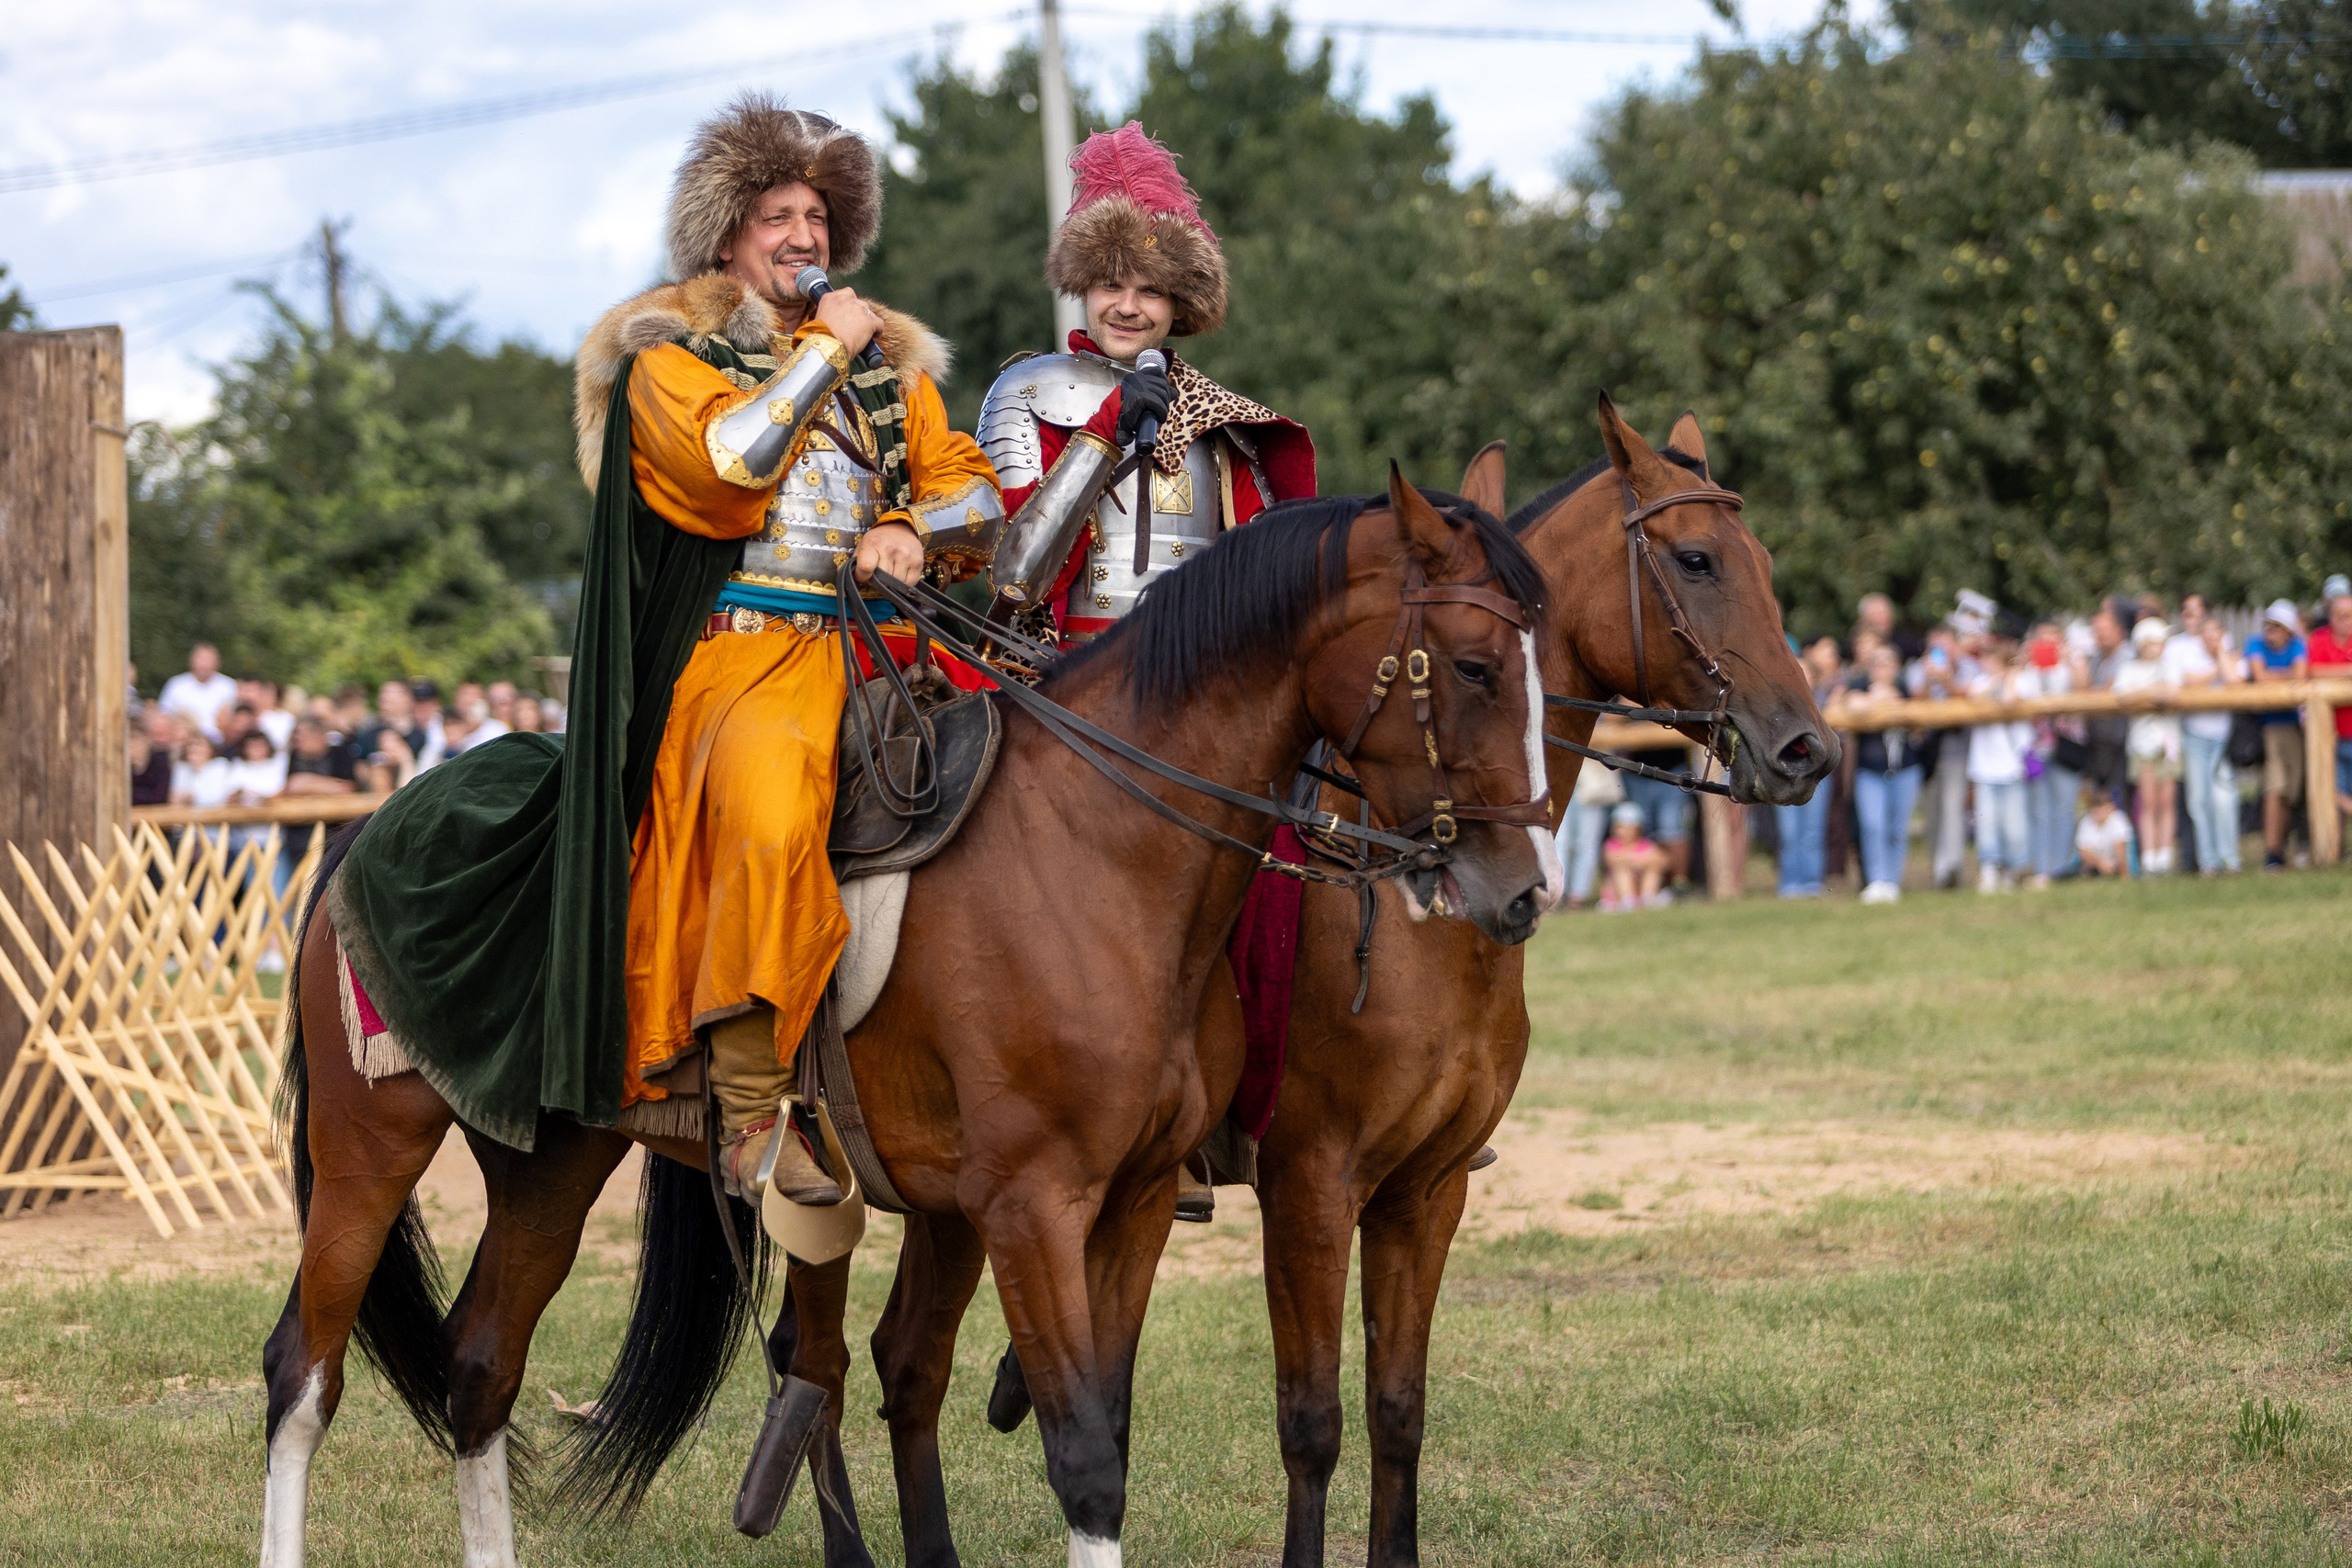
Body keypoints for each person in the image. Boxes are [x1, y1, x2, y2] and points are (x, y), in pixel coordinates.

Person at [335, 95, 1002, 1204]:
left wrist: (910, 525)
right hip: (744, 653)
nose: (805, 236)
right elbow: (728, 472)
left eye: (819, 216)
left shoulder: (893, 370)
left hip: (890, 647)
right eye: (779, 213)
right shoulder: (670, 357)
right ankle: (747, 1107)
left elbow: (971, 488)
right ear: (727, 234)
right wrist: (824, 356)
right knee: (768, 794)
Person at [978, 120, 1318, 1217]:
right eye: (1110, 282)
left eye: (1151, 289)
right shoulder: (1026, 390)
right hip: (1062, 681)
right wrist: (1106, 433)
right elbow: (1014, 566)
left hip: (1202, 703)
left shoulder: (1221, 423)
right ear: (1080, 284)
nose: (1129, 305)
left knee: (1294, 853)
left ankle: (1244, 1106)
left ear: (1183, 302)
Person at [2165, 594, 2243, 874]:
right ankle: (2208, 861)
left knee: (2224, 798)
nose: (2192, 619)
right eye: (2186, 613)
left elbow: (2234, 680)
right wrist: (2216, 669)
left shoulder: (2224, 647)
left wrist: (2221, 652)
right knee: (2198, 800)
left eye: (2196, 613)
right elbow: (2183, 681)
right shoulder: (2178, 647)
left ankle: (2230, 859)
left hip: (2223, 734)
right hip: (2194, 733)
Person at [1841, 644, 1921, 903]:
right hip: (1870, 770)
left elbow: (1920, 719)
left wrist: (1893, 700)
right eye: (1878, 662)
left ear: (1896, 666)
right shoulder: (1860, 686)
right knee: (1873, 826)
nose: (1883, 667)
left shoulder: (1907, 690)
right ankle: (1876, 880)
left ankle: (1892, 880)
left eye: (1888, 662)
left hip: (1905, 770)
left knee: (1897, 828)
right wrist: (1878, 698)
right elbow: (1853, 705)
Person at [1913, 612, 1981, 889]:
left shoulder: (1970, 668)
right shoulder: (1919, 668)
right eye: (1935, 646)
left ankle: (1950, 869)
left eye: (1946, 645)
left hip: (1956, 749)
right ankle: (1937, 865)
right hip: (1927, 751)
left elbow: (1969, 698)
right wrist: (1931, 680)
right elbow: (1914, 704)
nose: (1941, 651)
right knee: (1933, 811)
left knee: (1954, 809)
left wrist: (1947, 680)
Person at [2113, 618, 2183, 874]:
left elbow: (2172, 693)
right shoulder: (2129, 668)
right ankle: (2149, 854)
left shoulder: (2170, 667)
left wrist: (2148, 693)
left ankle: (2165, 854)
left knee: (2166, 800)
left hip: (2168, 742)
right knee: (2148, 801)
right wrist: (2152, 692)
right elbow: (2123, 696)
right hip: (2142, 743)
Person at [1966, 635, 2035, 892]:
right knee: (1987, 822)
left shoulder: (2022, 681)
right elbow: (1975, 698)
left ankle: (2014, 869)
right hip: (1984, 767)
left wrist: (2010, 676)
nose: (1986, 664)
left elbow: (2011, 700)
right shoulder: (1980, 682)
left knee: (2014, 823)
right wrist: (1997, 678)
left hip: (2012, 767)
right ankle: (1989, 869)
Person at [1774, 637, 1841, 897]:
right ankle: (1790, 883)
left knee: (1813, 830)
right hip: (1784, 775)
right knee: (1789, 832)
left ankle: (1812, 881)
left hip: (1817, 775)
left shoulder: (1827, 702)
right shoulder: (1774, 706)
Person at [2245, 599, 2310, 870]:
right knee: (2275, 787)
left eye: (2276, 626)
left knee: (2291, 791)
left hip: (2294, 727)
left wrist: (2279, 676)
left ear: (2288, 630)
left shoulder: (2297, 646)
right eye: (2268, 625)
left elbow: (2300, 674)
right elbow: (2260, 676)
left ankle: (2281, 848)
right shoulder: (2255, 644)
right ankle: (2272, 852)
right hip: (2267, 728)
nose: (2270, 630)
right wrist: (2287, 678)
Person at [2022, 620, 2087, 884]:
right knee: (2039, 808)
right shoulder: (2027, 671)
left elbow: (2084, 688)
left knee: (2064, 806)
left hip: (2066, 746)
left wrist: (2072, 659)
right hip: (2036, 748)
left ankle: (2060, 866)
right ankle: (2041, 868)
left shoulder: (2069, 667)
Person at [2305, 588, 2352, 842]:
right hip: (2329, 733)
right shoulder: (2319, 640)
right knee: (2334, 790)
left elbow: (2324, 672)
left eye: (2351, 616)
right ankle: (2335, 846)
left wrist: (2334, 672)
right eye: (2341, 616)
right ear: (2331, 617)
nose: (2347, 621)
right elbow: (2313, 671)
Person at [1561, 755, 1625, 908]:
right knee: (1559, 840)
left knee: (1586, 841)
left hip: (1591, 782)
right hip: (1560, 775)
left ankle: (1577, 895)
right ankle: (1557, 893)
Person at [157, 641, 238, 742]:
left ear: (217, 662)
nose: (203, 663)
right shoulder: (176, 685)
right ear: (191, 660)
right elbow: (164, 714)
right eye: (200, 658)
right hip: (183, 742)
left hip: (220, 743)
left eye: (208, 659)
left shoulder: (229, 686)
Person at [1600, 801, 1670, 910]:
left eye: (1627, 828)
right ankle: (1627, 900)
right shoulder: (1611, 845)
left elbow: (1663, 860)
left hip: (1640, 885)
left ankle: (1648, 898)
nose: (1622, 832)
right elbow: (1611, 859)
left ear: (1637, 829)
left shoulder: (1645, 844)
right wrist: (1637, 861)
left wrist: (1642, 863)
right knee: (1621, 869)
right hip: (1616, 893)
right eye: (1619, 827)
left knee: (1653, 868)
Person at [2075, 793, 2135, 878]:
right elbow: (2084, 851)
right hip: (2097, 862)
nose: (2098, 810)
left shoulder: (2118, 820)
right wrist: (2100, 864)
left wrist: (2124, 876)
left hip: (2118, 861)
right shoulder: (2085, 822)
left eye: (2101, 806)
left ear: (2111, 807)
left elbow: (2121, 849)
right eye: (2095, 807)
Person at [130, 705, 176, 807]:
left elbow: (160, 797)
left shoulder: (161, 762)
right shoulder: (121, 767)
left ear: (146, 739)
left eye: (136, 738)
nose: (133, 744)